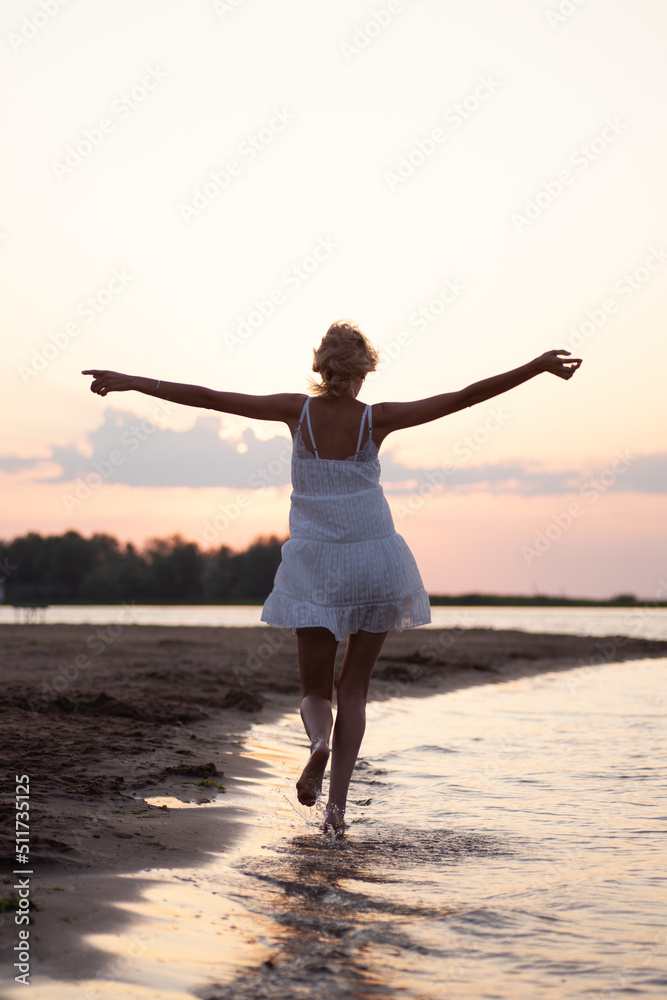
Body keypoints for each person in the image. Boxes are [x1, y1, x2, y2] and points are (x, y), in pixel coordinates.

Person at [83, 322, 581, 834]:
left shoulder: (294, 412)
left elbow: (211, 398)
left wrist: (133, 381)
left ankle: (318, 744)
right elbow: (465, 397)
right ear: (363, 372)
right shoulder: (376, 420)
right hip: (375, 563)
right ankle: (337, 812)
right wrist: (536, 367)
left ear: (320, 367)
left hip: (316, 566)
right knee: (356, 691)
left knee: (315, 690)